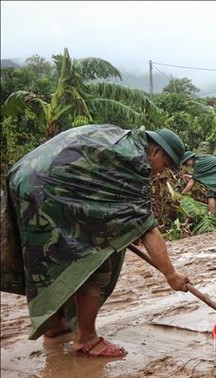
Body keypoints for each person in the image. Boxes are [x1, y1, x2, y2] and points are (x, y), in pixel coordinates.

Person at [1, 124, 190, 358]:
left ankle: (55, 326)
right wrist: (171, 275)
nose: (162, 172)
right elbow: (148, 229)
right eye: (166, 165)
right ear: (156, 153)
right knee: (93, 260)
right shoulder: (135, 162)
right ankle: (86, 339)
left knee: (58, 259)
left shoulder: (125, 140)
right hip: (47, 187)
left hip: (28, 175)